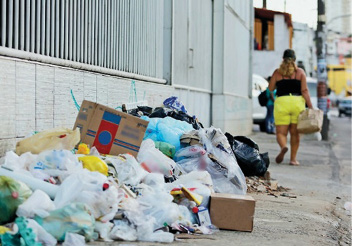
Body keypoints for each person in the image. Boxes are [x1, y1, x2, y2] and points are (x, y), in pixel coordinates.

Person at [268, 49, 313, 166]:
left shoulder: (277, 73)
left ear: (283, 59)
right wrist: (311, 107)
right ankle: (293, 159)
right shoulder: (300, 73)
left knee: (281, 133)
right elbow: (304, 91)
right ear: (295, 60)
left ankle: (283, 147)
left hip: (282, 103)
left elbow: (271, 88)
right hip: (297, 103)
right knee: (295, 134)